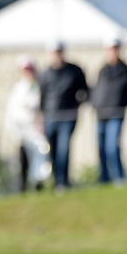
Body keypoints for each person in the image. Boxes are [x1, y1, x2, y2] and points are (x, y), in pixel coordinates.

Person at [38, 40, 87, 191]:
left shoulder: (74, 71)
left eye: (58, 52)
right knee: (52, 151)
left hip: (68, 117)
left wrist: (77, 105)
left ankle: (63, 182)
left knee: (63, 150)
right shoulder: (45, 74)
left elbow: (84, 91)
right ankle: (57, 180)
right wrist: (40, 119)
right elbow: (42, 99)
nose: (56, 56)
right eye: (53, 53)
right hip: (50, 118)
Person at [90, 37, 127, 184]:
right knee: (101, 149)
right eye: (109, 49)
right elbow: (97, 91)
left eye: (115, 49)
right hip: (101, 114)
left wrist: (120, 103)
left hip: (116, 114)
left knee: (112, 147)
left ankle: (118, 178)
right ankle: (104, 179)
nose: (112, 52)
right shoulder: (102, 70)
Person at [5, 56, 50, 192]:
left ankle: (38, 187)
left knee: (40, 160)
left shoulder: (39, 86)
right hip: (22, 131)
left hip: (36, 130)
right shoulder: (18, 88)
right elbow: (12, 111)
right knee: (23, 160)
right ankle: (22, 188)